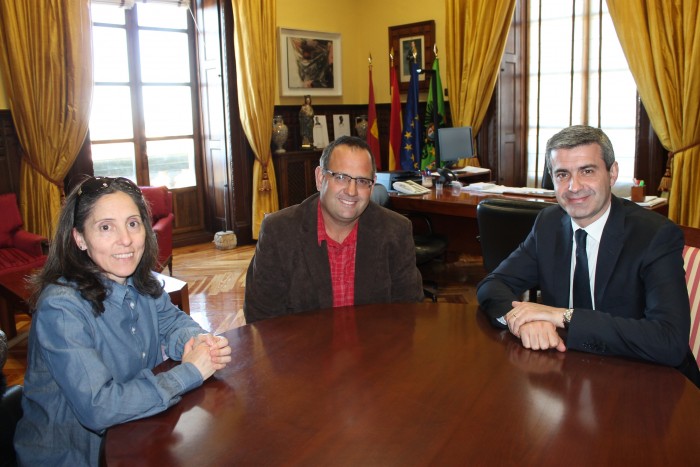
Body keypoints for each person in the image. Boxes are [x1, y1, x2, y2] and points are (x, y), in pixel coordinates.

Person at [14, 176, 232, 465]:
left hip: (139, 435)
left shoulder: (141, 282)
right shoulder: (61, 308)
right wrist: (190, 371)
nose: (126, 239)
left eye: (133, 223)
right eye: (106, 227)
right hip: (77, 457)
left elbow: (173, 323)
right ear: (79, 238)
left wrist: (197, 341)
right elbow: (99, 408)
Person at [477, 125, 700, 387]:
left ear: (612, 172)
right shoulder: (549, 224)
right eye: (562, 174)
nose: (574, 186)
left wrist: (562, 316)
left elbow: (669, 341)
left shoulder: (655, 235)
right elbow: (493, 285)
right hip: (568, 372)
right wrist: (520, 322)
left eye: (587, 171)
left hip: (647, 381)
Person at [244, 136, 424, 323]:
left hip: (374, 348)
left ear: (372, 185)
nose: (352, 191)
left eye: (362, 181)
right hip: (302, 350)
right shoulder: (279, 231)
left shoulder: (396, 230)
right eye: (341, 177)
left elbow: (408, 312)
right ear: (320, 178)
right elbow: (261, 318)